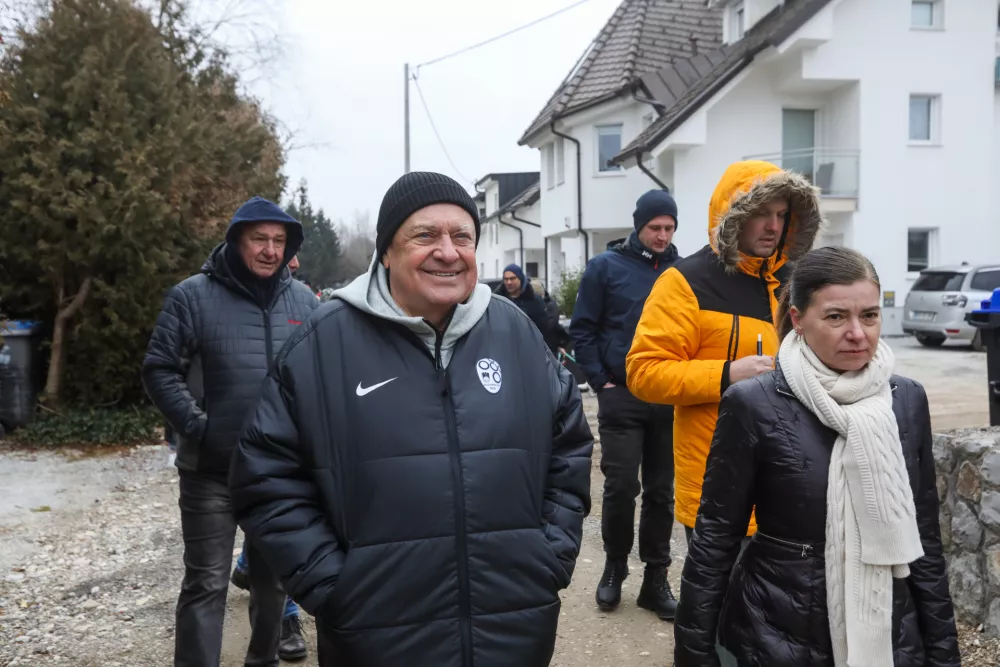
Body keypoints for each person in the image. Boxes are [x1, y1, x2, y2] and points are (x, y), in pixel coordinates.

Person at [229, 171, 594, 667]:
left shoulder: (516, 333)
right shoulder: (323, 342)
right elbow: (265, 474)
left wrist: (549, 554)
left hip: (512, 626)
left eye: (461, 236)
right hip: (375, 636)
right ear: (387, 252)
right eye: (424, 235)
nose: (447, 251)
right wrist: (333, 583)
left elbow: (569, 441)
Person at [674, 247, 960, 667]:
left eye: (869, 315)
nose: (858, 333)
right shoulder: (755, 403)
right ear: (797, 320)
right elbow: (716, 538)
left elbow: (924, 538)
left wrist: (943, 652)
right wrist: (694, 654)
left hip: (888, 628)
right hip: (779, 630)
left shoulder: (906, 399)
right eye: (835, 316)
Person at [142, 196, 318, 667]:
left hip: (278, 473)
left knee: (274, 581)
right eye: (259, 239)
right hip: (209, 473)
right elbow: (159, 370)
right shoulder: (191, 296)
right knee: (206, 584)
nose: (270, 250)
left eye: (279, 241)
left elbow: (318, 380)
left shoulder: (304, 301)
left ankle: (263, 660)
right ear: (236, 241)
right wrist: (200, 427)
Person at [627, 160, 822, 546]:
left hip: (790, 479)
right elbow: (644, 372)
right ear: (734, 215)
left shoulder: (797, 282)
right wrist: (728, 374)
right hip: (717, 482)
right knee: (718, 604)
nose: (773, 226)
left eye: (782, 215)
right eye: (762, 213)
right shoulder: (685, 282)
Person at [570, 188, 681, 620]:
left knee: (661, 492)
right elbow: (583, 329)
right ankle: (615, 567)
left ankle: (655, 578)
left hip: (669, 396)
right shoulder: (605, 268)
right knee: (620, 486)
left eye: (669, 227)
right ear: (638, 226)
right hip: (622, 395)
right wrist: (603, 383)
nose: (662, 235)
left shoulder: (681, 270)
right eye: (655, 227)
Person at [496, 263, 559, 353]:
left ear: (520, 278)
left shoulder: (535, 301)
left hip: (528, 351)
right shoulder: (498, 299)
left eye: (512, 278)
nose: (509, 282)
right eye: (506, 279)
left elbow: (543, 330)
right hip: (503, 350)